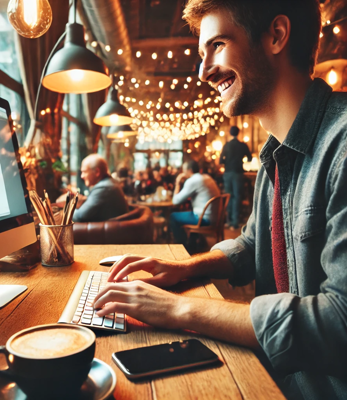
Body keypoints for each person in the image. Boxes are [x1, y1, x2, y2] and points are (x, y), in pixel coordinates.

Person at [92, 1, 347, 399]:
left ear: (276, 36)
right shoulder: (275, 157)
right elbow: (250, 244)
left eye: (218, 45)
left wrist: (178, 310)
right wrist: (183, 268)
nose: (203, 70)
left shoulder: (343, 146)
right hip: (273, 375)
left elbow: (339, 324)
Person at [170, 159, 220, 245]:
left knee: (173, 216)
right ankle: (194, 243)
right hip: (216, 218)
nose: (183, 173)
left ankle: (183, 245)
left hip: (204, 219)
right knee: (189, 212)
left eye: (184, 170)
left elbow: (176, 201)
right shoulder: (207, 177)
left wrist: (178, 182)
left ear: (189, 170)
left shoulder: (193, 181)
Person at [71, 154, 128, 222]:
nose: (82, 176)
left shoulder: (104, 188)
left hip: (109, 232)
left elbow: (79, 217)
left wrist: (65, 209)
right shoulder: (109, 183)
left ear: (97, 172)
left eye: (84, 172)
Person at [220, 126, 252, 229]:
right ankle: (235, 222)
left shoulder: (226, 145)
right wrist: (240, 160)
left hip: (228, 172)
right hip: (238, 173)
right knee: (237, 197)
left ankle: (228, 221)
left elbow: (221, 160)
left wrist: (227, 162)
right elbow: (250, 158)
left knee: (229, 196)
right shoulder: (242, 145)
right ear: (238, 133)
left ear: (230, 133)